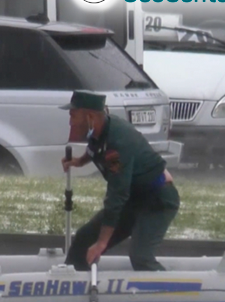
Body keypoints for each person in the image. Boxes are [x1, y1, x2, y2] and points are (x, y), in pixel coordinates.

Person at [61, 90, 180, 272]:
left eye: (73, 115)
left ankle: (172, 291)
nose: (70, 122)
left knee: (140, 257)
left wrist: (101, 244)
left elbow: (117, 195)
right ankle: (72, 287)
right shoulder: (99, 129)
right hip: (134, 198)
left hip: (157, 200)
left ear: (90, 116)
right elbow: (95, 149)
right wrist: (79, 161)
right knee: (83, 240)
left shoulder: (117, 145)